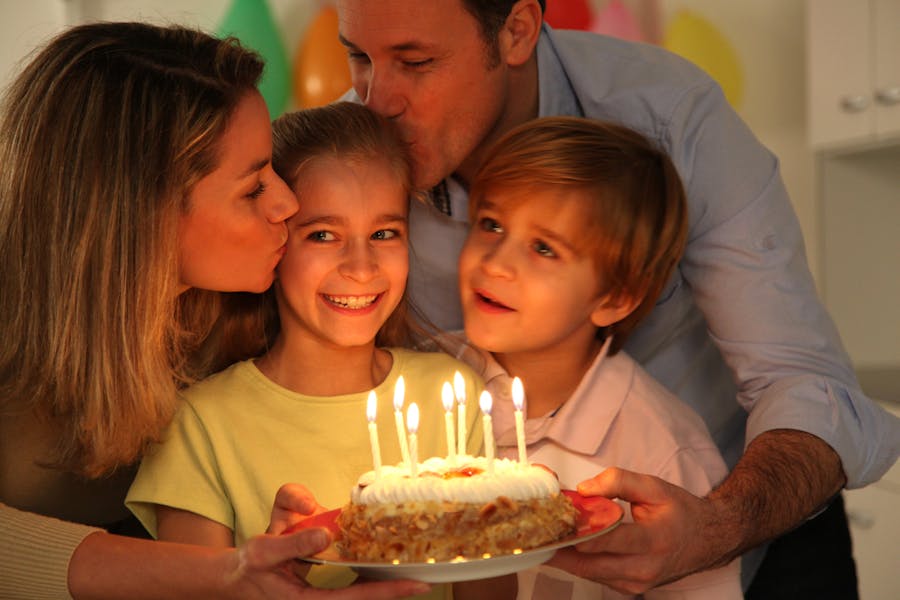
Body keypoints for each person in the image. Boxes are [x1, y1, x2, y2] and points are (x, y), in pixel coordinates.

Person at [332, 0, 900, 597]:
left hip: (747, 512)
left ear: (517, 30)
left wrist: (718, 524)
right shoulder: (348, 156)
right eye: (357, 57)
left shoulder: (670, 115)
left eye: (416, 61)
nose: (378, 102)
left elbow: (803, 382)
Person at [0, 22, 428, 600]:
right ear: (142, 214)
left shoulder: (224, 321)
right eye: (253, 188)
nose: (288, 203)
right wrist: (224, 572)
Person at [125, 102, 486, 598]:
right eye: (323, 234)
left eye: (384, 233)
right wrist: (273, 570)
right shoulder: (199, 425)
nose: (361, 267)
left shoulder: (453, 392)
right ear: (276, 242)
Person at [447, 115, 741, 599]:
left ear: (615, 298)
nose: (496, 262)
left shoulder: (663, 449)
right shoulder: (422, 375)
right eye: (491, 224)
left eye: (544, 248)